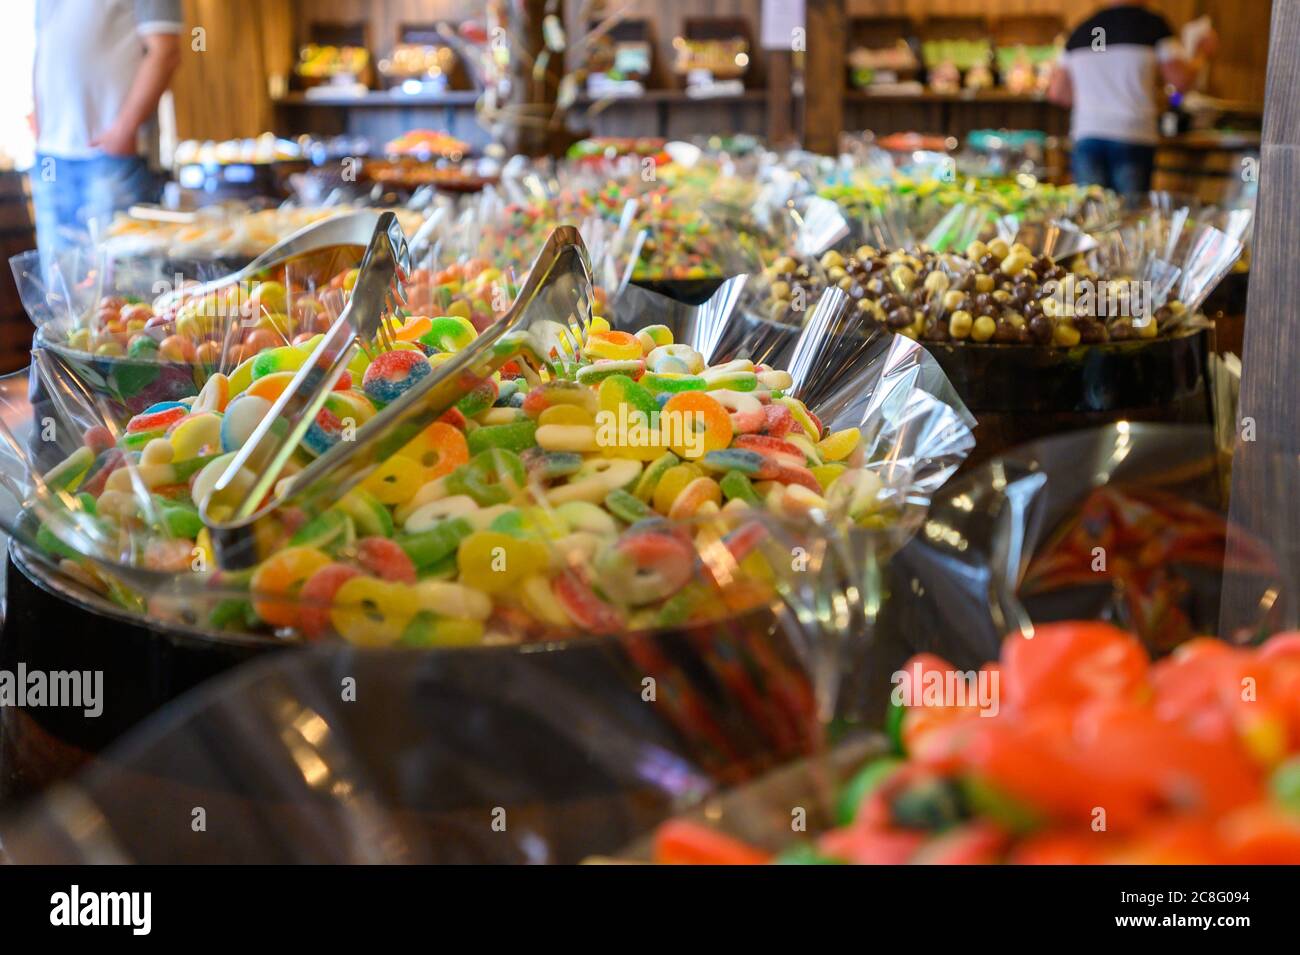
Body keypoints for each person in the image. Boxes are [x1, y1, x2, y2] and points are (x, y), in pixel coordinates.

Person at [31, 0, 183, 251]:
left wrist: (124, 130)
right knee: (56, 273)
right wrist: (40, 126)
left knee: (122, 271)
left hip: (114, 157)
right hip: (50, 156)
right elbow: (44, 46)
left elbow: (165, 51)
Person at [1048, 2, 1216, 197]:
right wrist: (1202, 54)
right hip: (1132, 134)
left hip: (1088, 133)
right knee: (1130, 212)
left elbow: (1057, 93)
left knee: (1092, 210)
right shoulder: (1152, 26)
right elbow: (1180, 82)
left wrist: (1092, 100)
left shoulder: (1081, 29)